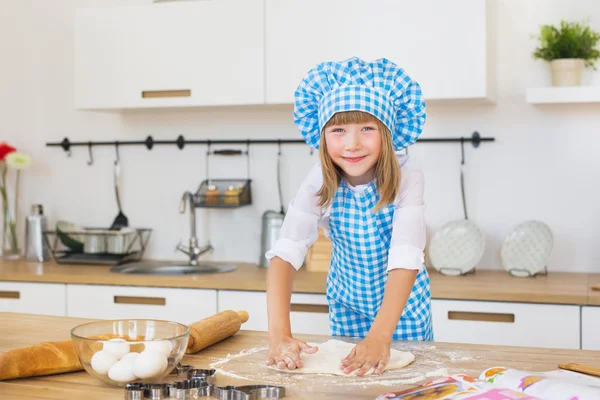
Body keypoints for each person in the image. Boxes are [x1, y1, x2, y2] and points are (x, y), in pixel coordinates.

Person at [264, 57, 432, 376]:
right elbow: (285, 252)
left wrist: (381, 335)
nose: (352, 144)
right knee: (352, 385)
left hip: (403, 308)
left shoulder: (408, 175)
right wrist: (278, 335)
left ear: (388, 133)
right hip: (347, 304)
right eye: (338, 130)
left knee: (403, 383)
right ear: (322, 135)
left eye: (367, 128)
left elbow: (406, 256)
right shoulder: (319, 179)